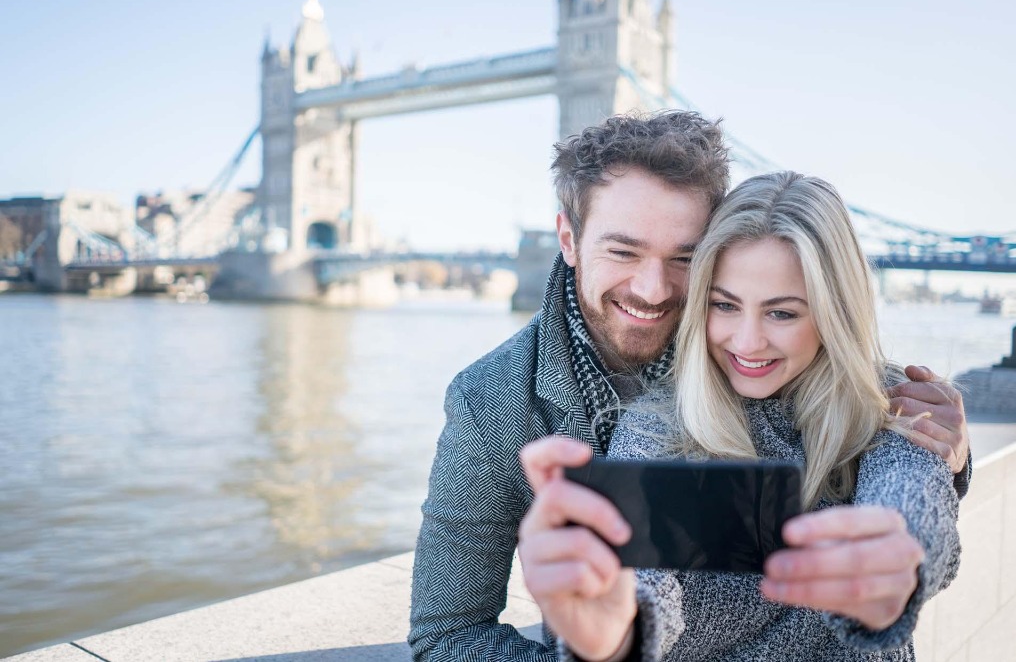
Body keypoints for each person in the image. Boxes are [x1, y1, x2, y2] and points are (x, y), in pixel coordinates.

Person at [409, 112, 970, 660]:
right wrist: (606, 641)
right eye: (623, 251)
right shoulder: (497, 400)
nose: (653, 290)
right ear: (569, 238)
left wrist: (917, 530)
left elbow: (900, 482)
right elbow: (448, 633)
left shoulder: (780, 358)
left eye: (685, 257)